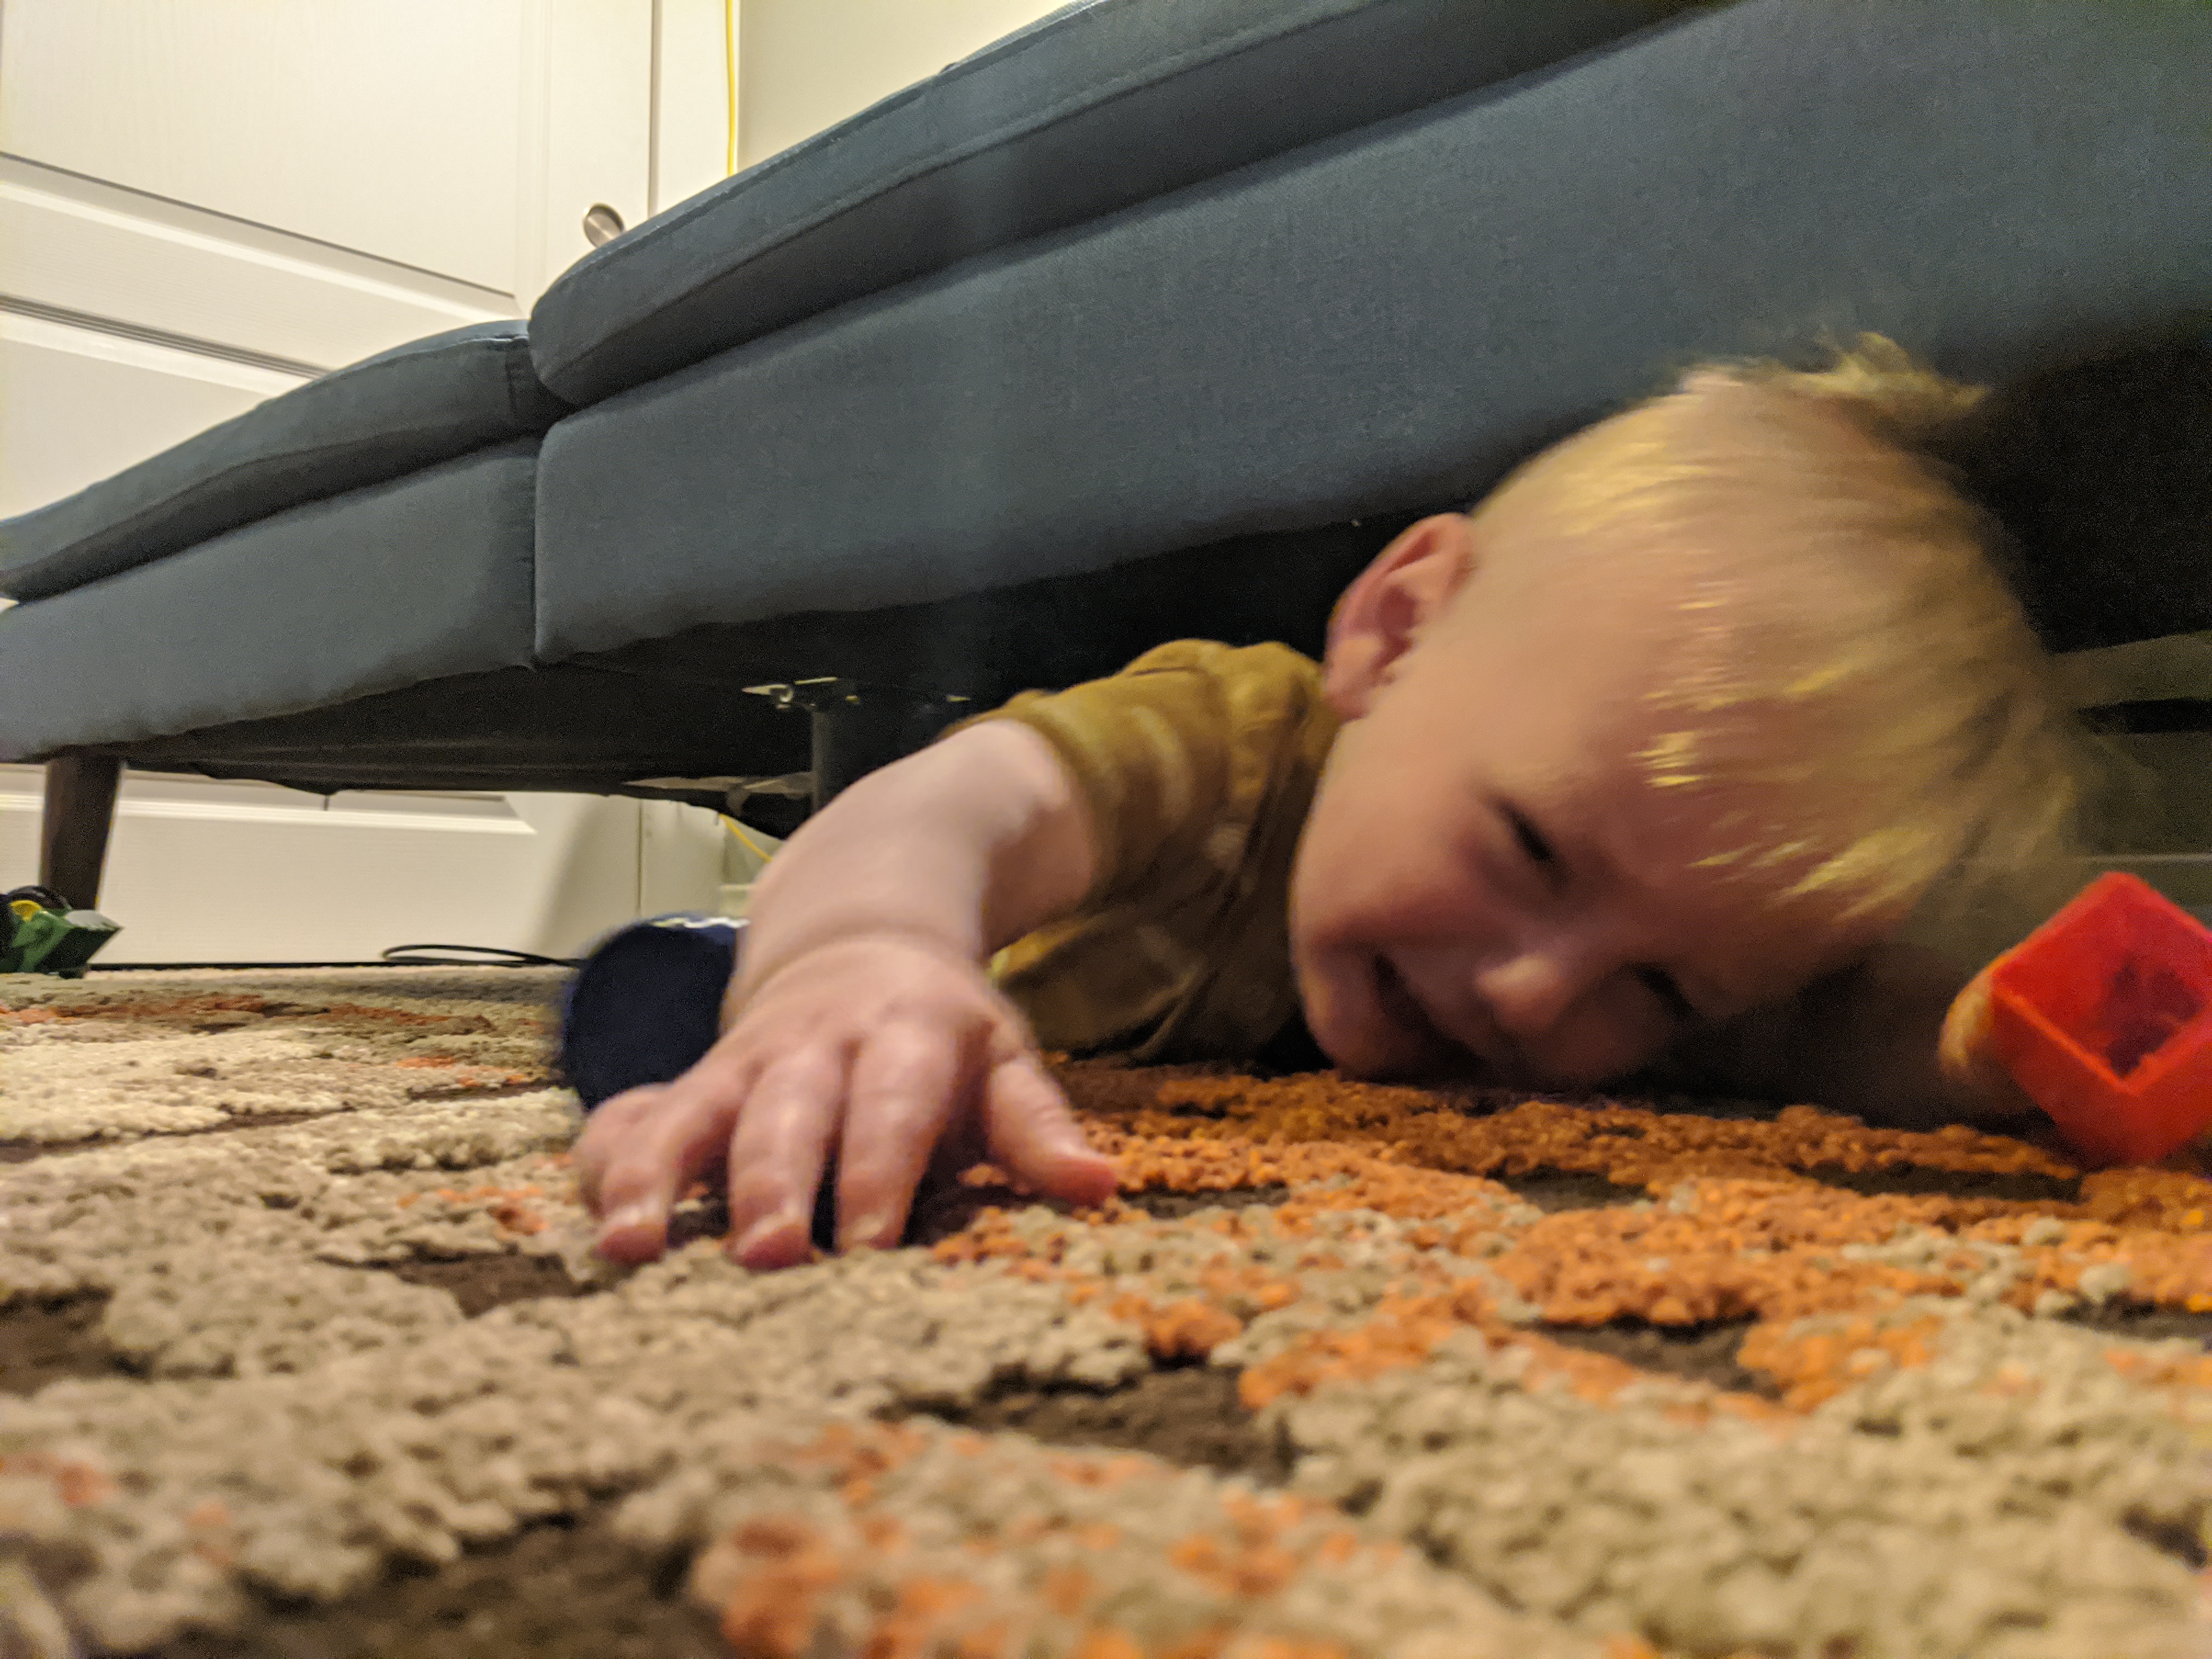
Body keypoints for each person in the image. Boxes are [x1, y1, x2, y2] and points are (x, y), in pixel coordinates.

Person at [573, 339, 2092, 1273]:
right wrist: (864, 951)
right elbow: (958, 810)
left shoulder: (1666, 921)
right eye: (1531, 848)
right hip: (942, 1001)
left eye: (1661, 986)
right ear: (1396, 633)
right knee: (714, 1000)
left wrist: (2017, 1040)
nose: (1534, 990)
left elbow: (1840, 1035)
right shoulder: (1229, 742)